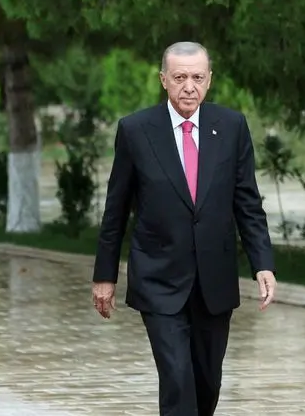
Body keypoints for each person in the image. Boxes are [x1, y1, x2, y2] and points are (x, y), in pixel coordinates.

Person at [92, 41, 276, 416]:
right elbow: (116, 210)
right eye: (179, 78)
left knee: (207, 383)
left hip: (214, 280)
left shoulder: (231, 127)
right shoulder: (135, 130)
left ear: (209, 81)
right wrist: (104, 276)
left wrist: (263, 263)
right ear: (163, 80)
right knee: (176, 379)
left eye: (196, 77)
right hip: (159, 279)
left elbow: (248, 203)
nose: (188, 87)